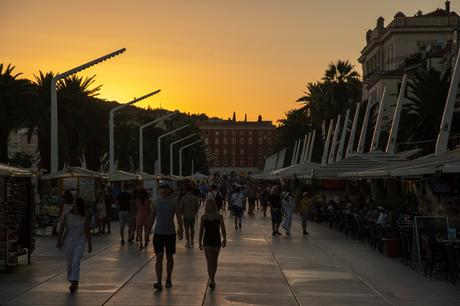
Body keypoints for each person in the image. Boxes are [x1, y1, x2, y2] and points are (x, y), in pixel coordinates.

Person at [150, 182, 184, 291]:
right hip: (158, 233)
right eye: (162, 188)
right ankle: (159, 281)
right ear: (159, 190)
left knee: (169, 258)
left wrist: (180, 229)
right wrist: (147, 231)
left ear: (169, 190)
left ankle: (168, 278)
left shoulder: (174, 203)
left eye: (166, 189)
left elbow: (179, 216)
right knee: (159, 258)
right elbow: (152, 217)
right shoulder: (155, 202)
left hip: (170, 233)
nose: (164, 191)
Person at [57, 198, 92, 294]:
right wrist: (59, 240)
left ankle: (74, 281)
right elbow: (62, 228)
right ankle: (73, 280)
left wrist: (89, 244)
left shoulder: (84, 217)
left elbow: (87, 231)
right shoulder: (67, 216)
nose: (74, 206)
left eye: (76, 204)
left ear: (79, 206)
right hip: (69, 241)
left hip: (80, 241)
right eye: (73, 204)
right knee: (69, 262)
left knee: (76, 261)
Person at [199, 199, 227, 290]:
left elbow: (223, 228)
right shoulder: (204, 217)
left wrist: (225, 239)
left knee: (214, 261)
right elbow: (201, 230)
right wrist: (199, 241)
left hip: (216, 240)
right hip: (207, 240)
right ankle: (212, 280)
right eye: (207, 205)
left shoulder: (219, 217)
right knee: (209, 261)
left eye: (210, 205)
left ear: (213, 206)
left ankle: (213, 278)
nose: (208, 206)